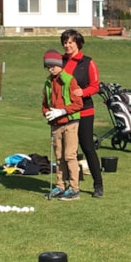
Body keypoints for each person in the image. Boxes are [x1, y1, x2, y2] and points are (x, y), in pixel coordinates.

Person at [60, 30, 105, 198]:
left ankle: (98, 185)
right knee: (66, 150)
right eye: (65, 42)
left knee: (87, 147)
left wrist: (82, 92)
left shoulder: (88, 62)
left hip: (84, 110)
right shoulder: (61, 61)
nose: (67, 45)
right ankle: (67, 183)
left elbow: (95, 86)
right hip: (65, 112)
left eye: (70, 42)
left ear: (78, 43)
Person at [43, 49, 85, 201]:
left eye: (53, 66)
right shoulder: (48, 82)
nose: (50, 69)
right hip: (56, 124)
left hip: (70, 122)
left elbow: (78, 103)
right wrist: (47, 113)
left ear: (59, 65)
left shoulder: (69, 80)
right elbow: (45, 103)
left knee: (69, 156)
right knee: (59, 157)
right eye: (48, 67)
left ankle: (74, 189)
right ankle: (60, 186)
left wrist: (62, 111)